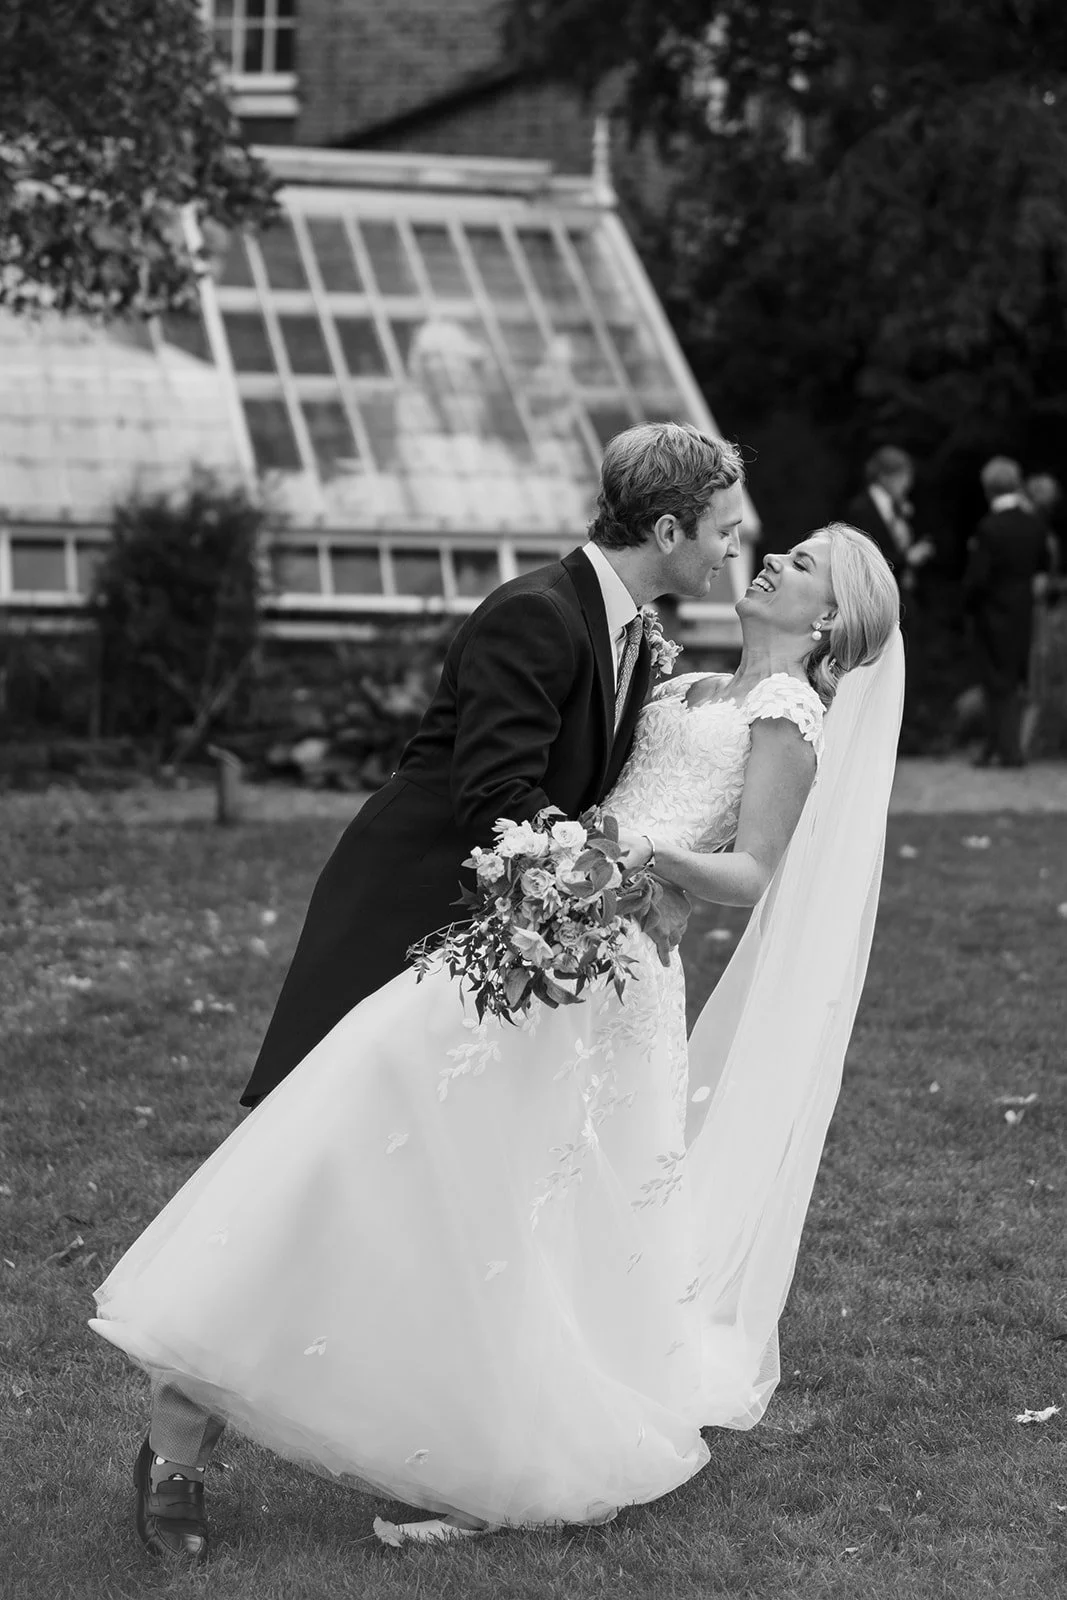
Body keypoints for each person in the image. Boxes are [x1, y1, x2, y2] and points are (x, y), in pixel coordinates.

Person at [90, 516, 902, 1562]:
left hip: (608, 983)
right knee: (348, 1127)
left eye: (803, 565)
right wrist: (577, 858)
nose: (774, 559)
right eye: (775, 547)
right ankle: (182, 1420)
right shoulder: (680, 682)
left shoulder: (786, 713)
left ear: (827, 616)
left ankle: (493, 1458)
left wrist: (633, 853)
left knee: (531, 1219)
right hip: (519, 941)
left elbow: (747, 871)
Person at [964, 456, 1051, 768]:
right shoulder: (1033, 524)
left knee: (995, 682)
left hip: (992, 612)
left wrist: (968, 605)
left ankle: (1008, 750)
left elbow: (978, 578)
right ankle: (997, 747)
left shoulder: (989, 528)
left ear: (988, 488)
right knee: (1013, 681)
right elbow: (1043, 566)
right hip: (1024, 610)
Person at [843, 446, 935, 594]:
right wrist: (907, 559)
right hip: (872, 593)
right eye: (903, 476)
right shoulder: (860, 509)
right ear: (884, 476)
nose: (907, 484)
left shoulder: (897, 507)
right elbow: (865, 555)